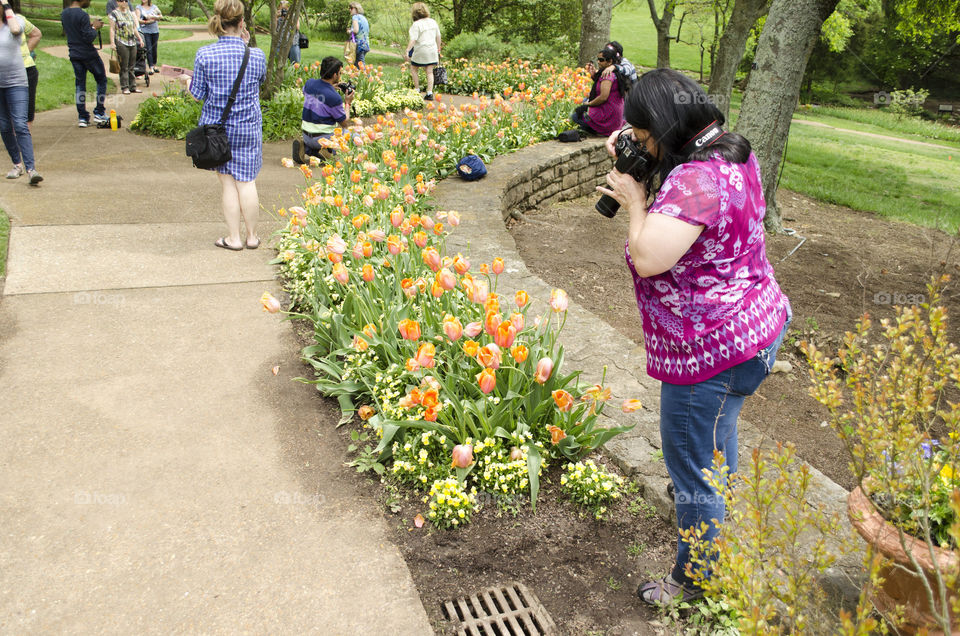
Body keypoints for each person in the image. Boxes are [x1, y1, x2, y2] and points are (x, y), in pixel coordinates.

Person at [596, 68, 790, 605]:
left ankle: (694, 580)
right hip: (757, 325)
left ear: (663, 125)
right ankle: (714, 506)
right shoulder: (731, 150)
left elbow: (651, 256)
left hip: (710, 353)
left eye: (640, 135)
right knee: (716, 436)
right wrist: (638, 147)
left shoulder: (695, 182)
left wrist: (635, 199)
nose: (635, 144)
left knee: (689, 463)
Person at [189, 0, 266, 251]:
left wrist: (184, 83)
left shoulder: (205, 54)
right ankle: (252, 237)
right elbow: (259, 82)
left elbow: (198, 94)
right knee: (247, 182)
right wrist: (245, 44)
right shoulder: (255, 55)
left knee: (228, 183)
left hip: (217, 132)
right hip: (248, 127)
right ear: (242, 23)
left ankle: (234, 238)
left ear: (218, 21)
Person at [1, 0, 41, 183]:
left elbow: (16, 30)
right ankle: (17, 165)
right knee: (3, 126)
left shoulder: (15, 21)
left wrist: (7, 6)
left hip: (17, 82)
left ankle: (31, 169)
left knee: (20, 124)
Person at [292, 55, 353, 165]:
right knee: (352, 134)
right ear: (335, 75)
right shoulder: (334, 97)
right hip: (323, 139)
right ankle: (327, 151)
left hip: (306, 136)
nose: (340, 75)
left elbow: (309, 92)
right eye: (340, 73)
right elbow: (345, 123)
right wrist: (348, 103)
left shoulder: (309, 84)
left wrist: (329, 87)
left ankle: (307, 149)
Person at [62, 0, 107, 127]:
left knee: (80, 84)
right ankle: (99, 112)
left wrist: (89, 26)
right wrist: (94, 27)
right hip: (88, 54)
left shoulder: (64, 13)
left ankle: (82, 117)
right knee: (101, 79)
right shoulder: (82, 14)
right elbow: (88, 37)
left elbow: (75, 30)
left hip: (74, 53)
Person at [571, 48, 626, 137]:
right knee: (583, 103)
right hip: (614, 114)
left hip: (608, 117)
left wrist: (589, 104)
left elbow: (603, 97)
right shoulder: (615, 73)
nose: (598, 62)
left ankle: (597, 130)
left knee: (575, 116)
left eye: (601, 60)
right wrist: (593, 75)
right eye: (598, 59)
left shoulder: (607, 75)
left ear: (609, 61)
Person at [9, 0, 40, 129]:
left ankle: (22, 139)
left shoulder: (19, 19)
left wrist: (26, 51)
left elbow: (36, 34)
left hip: (26, 69)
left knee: (26, 107)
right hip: (5, 72)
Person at [404, 2, 440, 100]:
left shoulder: (416, 24)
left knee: (414, 69)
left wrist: (407, 50)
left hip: (421, 50)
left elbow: (413, 40)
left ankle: (417, 90)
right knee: (429, 71)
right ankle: (429, 93)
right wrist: (438, 49)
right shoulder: (433, 22)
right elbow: (438, 36)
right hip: (432, 49)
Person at [109, 0, 144, 94]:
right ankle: (125, 87)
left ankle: (133, 86)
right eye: (121, 1)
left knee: (132, 65)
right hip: (121, 41)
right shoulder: (114, 14)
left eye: (126, 1)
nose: (124, 3)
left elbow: (133, 28)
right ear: (117, 2)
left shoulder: (130, 13)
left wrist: (140, 39)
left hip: (132, 41)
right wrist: (112, 43)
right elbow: (112, 29)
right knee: (124, 65)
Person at [135, 0, 162, 74]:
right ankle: (151, 67)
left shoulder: (154, 7)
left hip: (155, 30)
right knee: (148, 49)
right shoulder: (139, 7)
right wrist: (146, 22)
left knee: (154, 49)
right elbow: (137, 19)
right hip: (145, 31)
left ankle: (154, 64)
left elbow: (160, 16)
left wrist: (154, 17)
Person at [276, 0, 300, 65]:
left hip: (293, 44)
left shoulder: (294, 16)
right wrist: (276, 17)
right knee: (278, 64)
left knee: (295, 65)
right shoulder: (277, 17)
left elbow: (297, 27)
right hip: (280, 44)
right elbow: (272, 28)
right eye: (282, 9)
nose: (284, 11)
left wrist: (289, 18)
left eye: (286, 9)